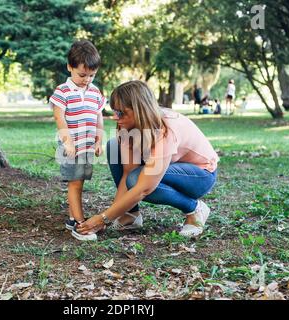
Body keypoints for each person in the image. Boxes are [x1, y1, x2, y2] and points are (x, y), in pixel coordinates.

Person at [77, 80, 219, 238]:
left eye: (121, 113)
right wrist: (109, 216)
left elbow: (144, 188)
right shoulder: (126, 127)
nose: (115, 117)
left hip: (200, 175)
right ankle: (131, 215)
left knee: (137, 180)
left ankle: (194, 209)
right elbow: (127, 173)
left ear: (139, 110)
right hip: (171, 168)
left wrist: (103, 218)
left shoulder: (165, 129)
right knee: (113, 147)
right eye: (114, 111)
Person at [49, 40, 105, 241]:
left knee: (80, 183)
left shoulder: (95, 92)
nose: (86, 79)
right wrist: (68, 142)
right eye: (82, 75)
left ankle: (73, 218)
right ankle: (80, 224)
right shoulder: (62, 91)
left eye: (91, 75)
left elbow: (99, 117)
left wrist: (98, 140)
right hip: (71, 147)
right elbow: (59, 117)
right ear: (70, 67)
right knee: (75, 184)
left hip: (87, 146)